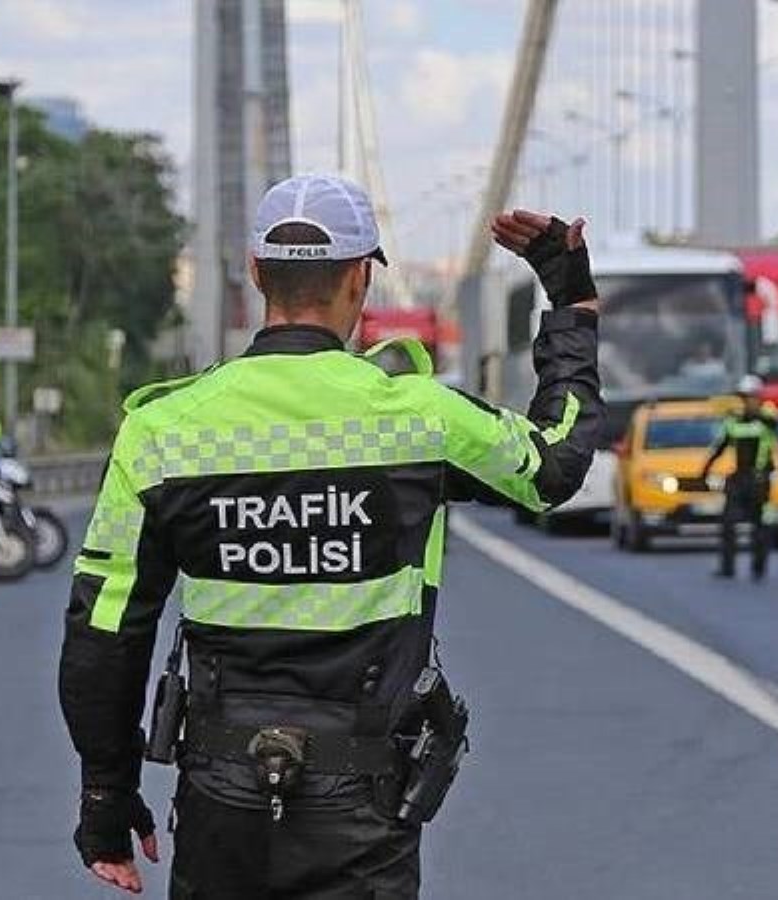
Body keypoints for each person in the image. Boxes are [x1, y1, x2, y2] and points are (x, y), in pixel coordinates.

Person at [58, 173, 602, 898]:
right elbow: (552, 467)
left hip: (222, 797)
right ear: (359, 279)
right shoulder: (418, 418)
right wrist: (570, 306)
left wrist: (106, 795)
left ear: (257, 274)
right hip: (365, 799)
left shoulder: (162, 432)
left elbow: (104, 631)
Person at [700, 375, 778, 580]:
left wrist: (758, 412)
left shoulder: (767, 419)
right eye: (745, 398)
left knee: (761, 526)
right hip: (739, 478)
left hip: (760, 480)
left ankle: (758, 568)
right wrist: (705, 471)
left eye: (752, 397)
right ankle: (727, 568)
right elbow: (720, 447)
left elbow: (774, 422)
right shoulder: (733, 423)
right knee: (728, 524)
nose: (748, 402)